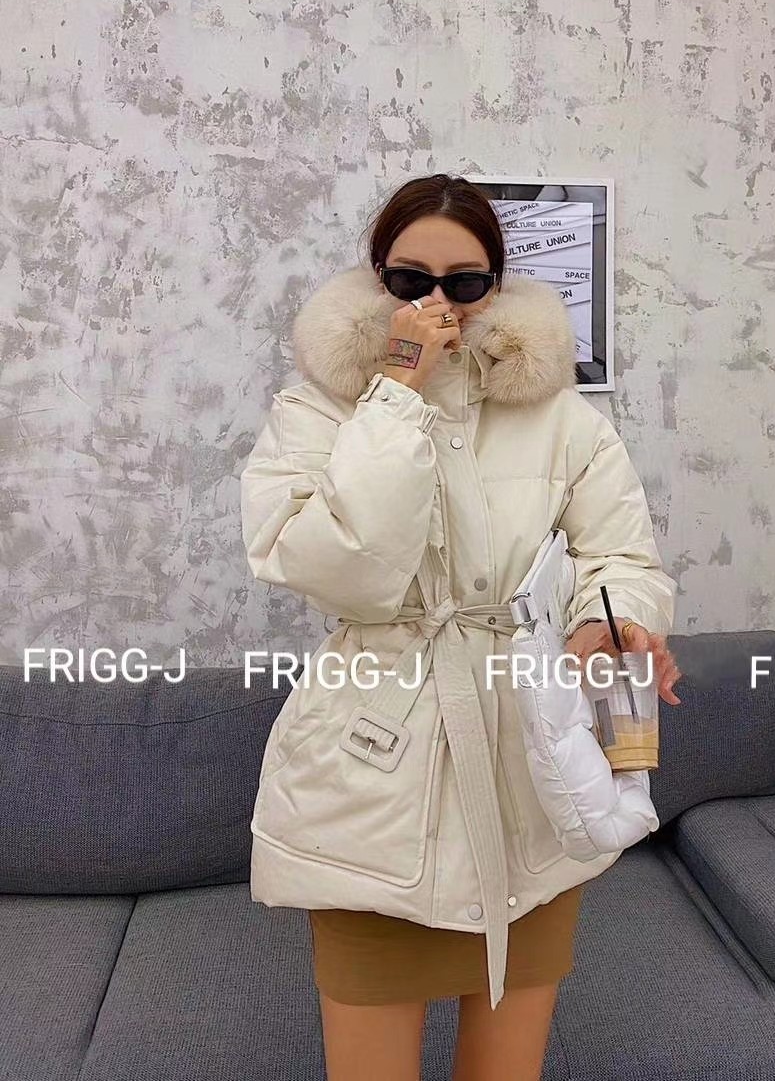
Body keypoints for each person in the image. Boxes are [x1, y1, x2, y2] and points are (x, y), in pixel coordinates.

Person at [240, 173, 682, 1081]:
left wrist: (613, 624)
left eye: (466, 282)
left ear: (496, 286)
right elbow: (345, 573)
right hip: (370, 786)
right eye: (411, 281)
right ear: (379, 281)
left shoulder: (557, 416)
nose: (438, 303)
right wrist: (397, 393)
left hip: (527, 772)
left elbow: (620, 556)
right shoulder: (315, 412)